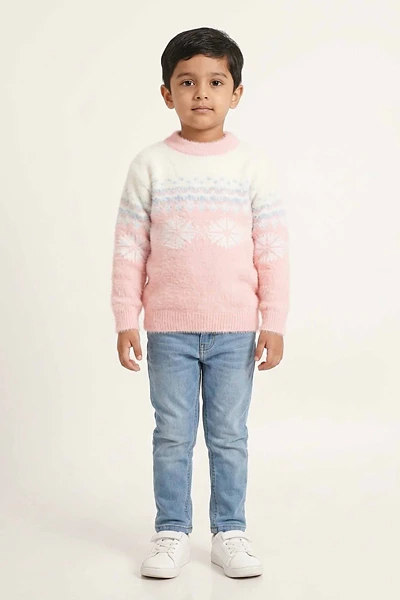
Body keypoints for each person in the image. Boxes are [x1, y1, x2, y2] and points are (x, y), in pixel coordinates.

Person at [110, 26, 290, 579]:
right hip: (168, 330)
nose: (202, 93)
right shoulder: (150, 165)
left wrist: (274, 321)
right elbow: (129, 247)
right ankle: (171, 531)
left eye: (216, 82)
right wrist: (126, 318)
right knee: (172, 434)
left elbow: (272, 249)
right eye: (187, 82)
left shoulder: (252, 166)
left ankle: (229, 531)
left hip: (236, 330)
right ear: (168, 94)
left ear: (237, 93)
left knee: (229, 436)